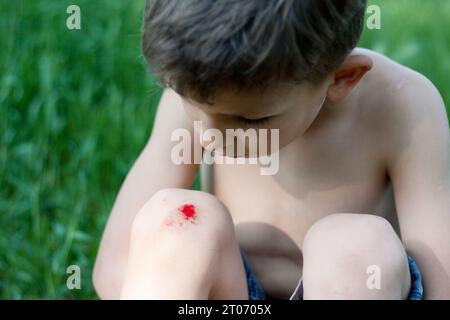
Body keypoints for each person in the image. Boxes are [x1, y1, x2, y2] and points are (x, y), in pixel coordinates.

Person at [93, 0, 450, 299]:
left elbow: (441, 281)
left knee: (355, 247)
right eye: (192, 104)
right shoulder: (204, 97)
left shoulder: (401, 106)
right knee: (176, 220)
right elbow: (116, 266)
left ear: (341, 78)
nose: (210, 136)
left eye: (249, 120)